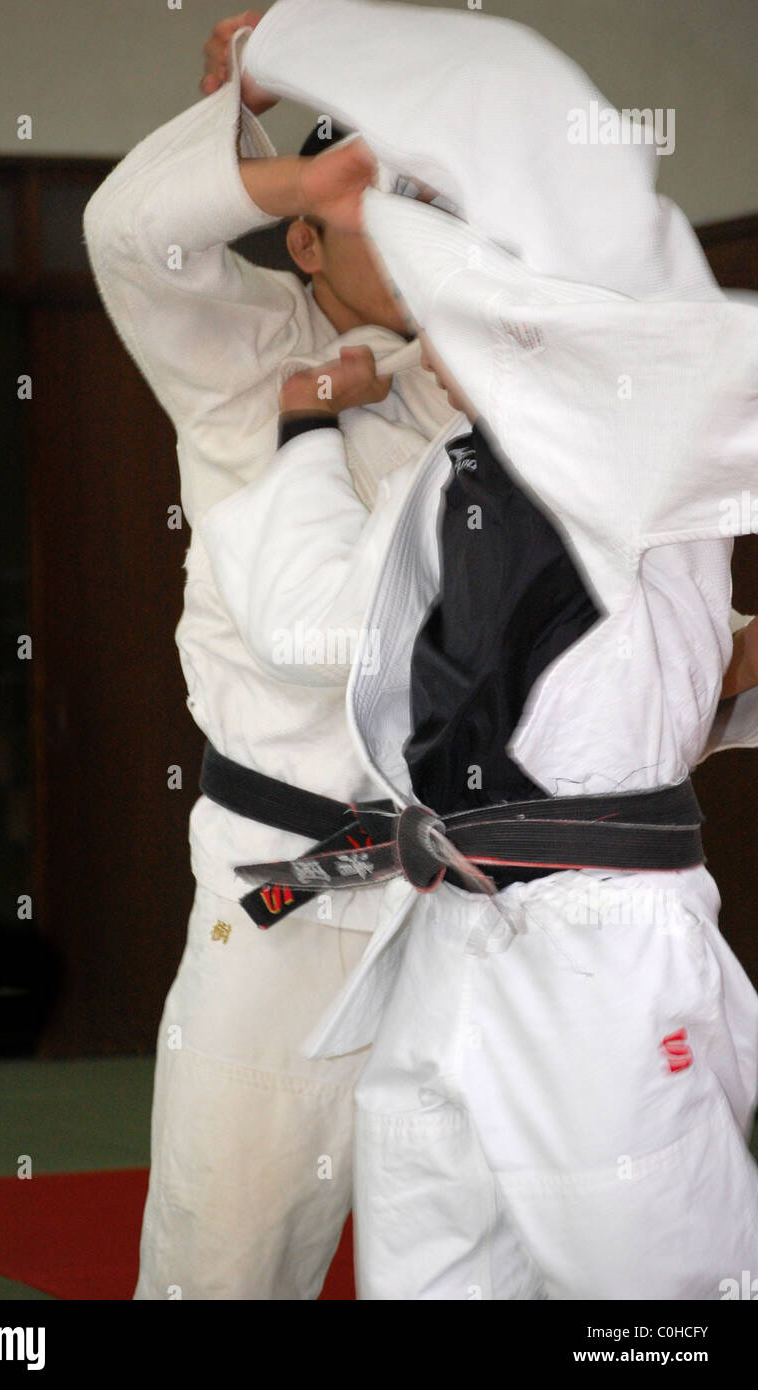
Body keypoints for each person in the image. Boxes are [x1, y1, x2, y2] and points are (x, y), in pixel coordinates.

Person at [224, 0, 758, 1298]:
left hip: (597, 953)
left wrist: (287, 36)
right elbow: (305, 625)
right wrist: (302, 439)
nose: (420, 302)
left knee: (659, 1304)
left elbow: (519, 109)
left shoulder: (645, 408)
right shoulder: (445, 478)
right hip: (446, 938)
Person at [82, 10, 458, 1299]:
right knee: (228, 1263)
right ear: (303, 241)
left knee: (475, 1262)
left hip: (465, 902)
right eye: (381, 200)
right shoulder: (252, 351)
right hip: (284, 895)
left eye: (438, 202)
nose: (418, 228)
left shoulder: (491, 393)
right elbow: (128, 236)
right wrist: (290, 157)